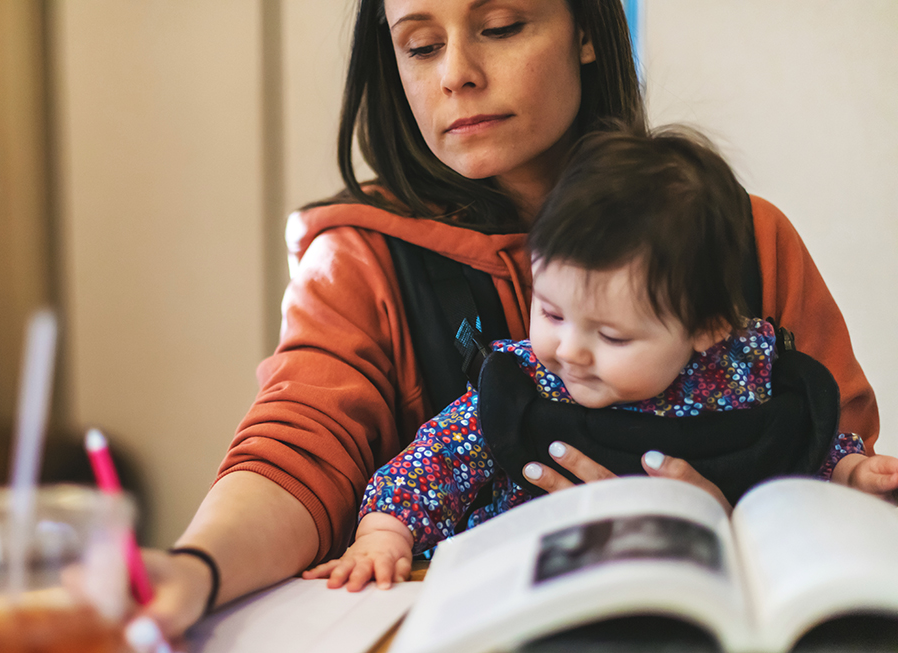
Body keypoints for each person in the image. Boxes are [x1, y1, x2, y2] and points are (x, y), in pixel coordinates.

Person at [130, 0, 898, 643]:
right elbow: (297, 451)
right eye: (421, 45)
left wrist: (726, 513)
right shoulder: (361, 256)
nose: (455, 72)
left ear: (589, 29)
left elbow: (828, 469)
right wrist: (195, 566)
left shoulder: (743, 236)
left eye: (500, 26)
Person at [304, 126, 871, 591]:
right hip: (522, 588)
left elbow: (798, 445)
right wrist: (384, 535)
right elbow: (435, 463)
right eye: (551, 313)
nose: (569, 350)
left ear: (707, 328)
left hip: (686, 591)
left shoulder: (743, 375)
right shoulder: (525, 384)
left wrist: (851, 473)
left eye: (612, 337)